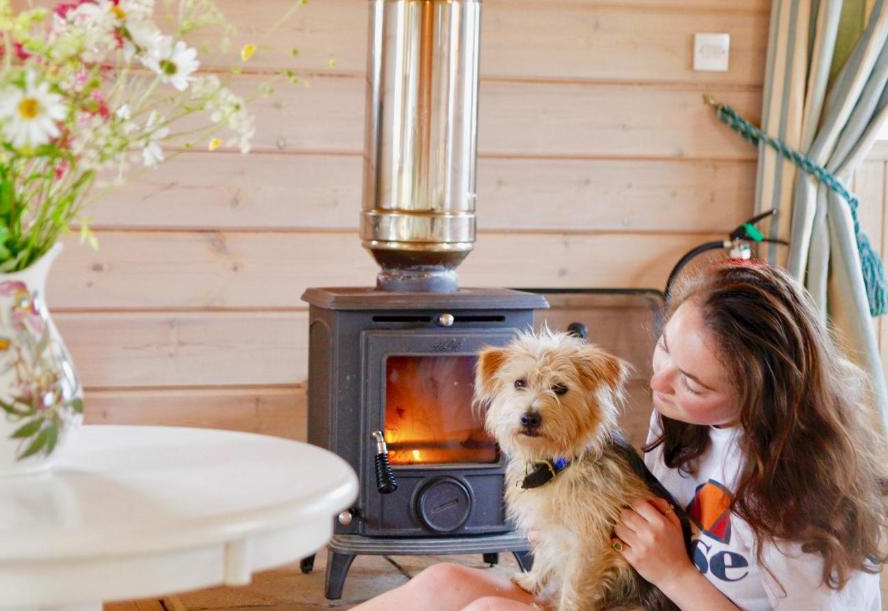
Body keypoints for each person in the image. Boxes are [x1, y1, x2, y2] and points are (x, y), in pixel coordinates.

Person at [354, 261, 887, 610]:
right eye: (666, 350)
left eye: (692, 380)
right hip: (631, 597)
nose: (658, 382)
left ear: (759, 395)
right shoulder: (682, 418)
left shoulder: (804, 499)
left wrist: (676, 573)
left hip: (670, 598)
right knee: (441, 583)